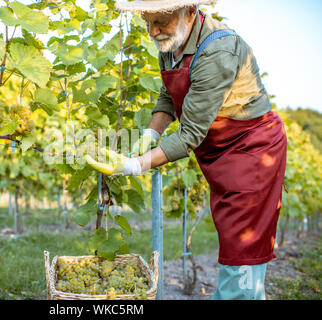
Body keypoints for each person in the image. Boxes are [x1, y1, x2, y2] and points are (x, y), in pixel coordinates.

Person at [84, 0, 287, 300]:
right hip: (221, 152)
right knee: (232, 237)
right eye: (147, 22)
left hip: (253, 152)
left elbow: (190, 134)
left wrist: (134, 165)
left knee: (243, 246)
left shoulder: (217, 51)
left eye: (160, 22)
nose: (152, 31)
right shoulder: (172, 40)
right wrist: (151, 132)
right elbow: (168, 95)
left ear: (190, 12)